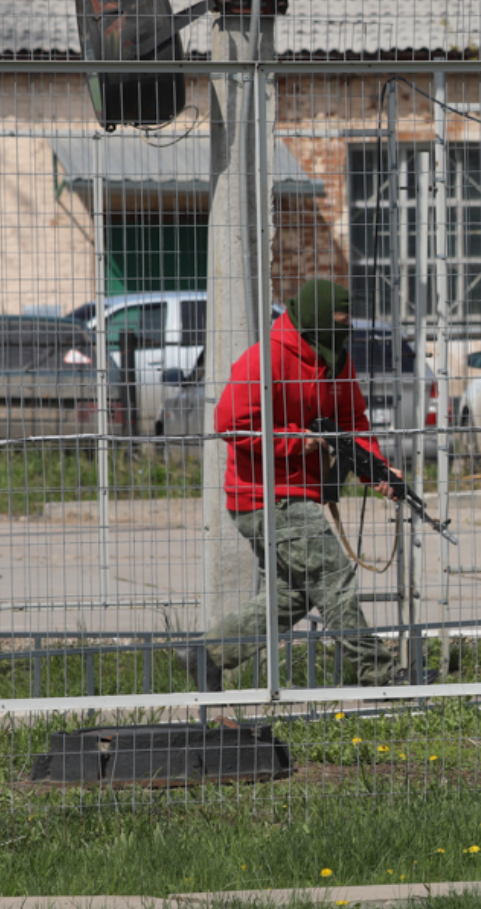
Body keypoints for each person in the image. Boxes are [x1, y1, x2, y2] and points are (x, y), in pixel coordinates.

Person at [176, 280, 408, 690]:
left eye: (347, 323)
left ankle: (208, 654)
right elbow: (229, 423)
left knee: (294, 596)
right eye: (337, 323)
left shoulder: (336, 360)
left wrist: (380, 473)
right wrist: (295, 443)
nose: (343, 331)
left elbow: (352, 423)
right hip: (262, 497)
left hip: (296, 496)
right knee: (333, 576)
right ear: (314, 320)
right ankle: (382, 675)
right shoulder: (264, 359)